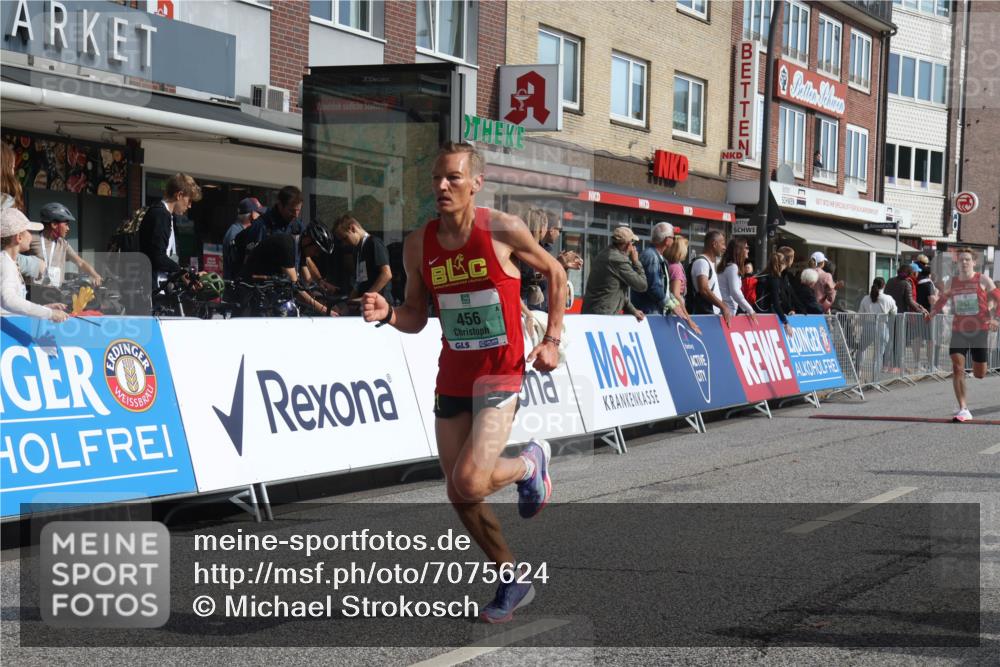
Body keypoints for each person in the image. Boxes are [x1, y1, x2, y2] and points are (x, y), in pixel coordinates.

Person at [361, 141, 566, 623]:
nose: (442, 185)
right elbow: (416, 315)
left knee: (470, 479)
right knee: (459, 493)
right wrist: (389, 313)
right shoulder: (419, 244)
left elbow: (556, 272)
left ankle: (529, 465)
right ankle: (512, 577)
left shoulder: (501, 228)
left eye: (453, 177)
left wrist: (552, 339)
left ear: (476, 183)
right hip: (453, 374)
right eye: (436, 177)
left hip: (500, 372)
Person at [925, 248, 1000, 422]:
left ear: (974, 262)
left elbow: (999, 299)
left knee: (980, 373)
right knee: (957, 368)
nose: (964, 262)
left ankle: (976, 370)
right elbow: (943, 299)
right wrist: (932, 313)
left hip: (979, 329)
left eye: (967, 259)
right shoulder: (952, 282)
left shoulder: (983, 279)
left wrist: (996, 319)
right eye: (961, 260)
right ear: (957, 263)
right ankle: (963, 408)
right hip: (959, 330)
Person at [1, 208, 69, 321]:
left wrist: (43, 308)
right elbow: (8, 300)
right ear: (19, 237)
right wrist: (49, 313)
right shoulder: (5, 263)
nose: (31, 236)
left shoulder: (8, 261)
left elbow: (11, 307)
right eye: (29, 231)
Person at [139, 172, 202, 288]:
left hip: (158, 285)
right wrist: (182, 272)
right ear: (179, 195)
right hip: (151, 287)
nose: (190, 206)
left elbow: (167, 256)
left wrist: (182, 273)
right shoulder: (161, 215)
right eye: (189, 200)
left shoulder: (167, 215)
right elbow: (157, 257)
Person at [1, 142, 47, 284]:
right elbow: (4, 255)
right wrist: (35, 265)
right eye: (12, 167)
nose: (13, 173)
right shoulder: (4, 203)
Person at [27, 202, 103, 288]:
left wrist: (95, 275)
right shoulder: (31, 239)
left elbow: (80, 263)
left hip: (55, 292)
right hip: (34, 292)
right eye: (66, 224)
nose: (68, 228)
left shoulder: (63, 244)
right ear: (54, 224)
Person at [582, 226, 648, 321]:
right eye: (632, 243)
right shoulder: (617, 260)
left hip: (596, 313)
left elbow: (615, 290)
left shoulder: (606, 254)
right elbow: (642, 285)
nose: (633, 247)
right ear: (628, 244)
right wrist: (636, 262)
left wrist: (633, 310)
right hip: (602, 317)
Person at [233, 185, 304, 273]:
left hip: (292, 278)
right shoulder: (261, 225)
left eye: (298, 210)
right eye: (291, 210)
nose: (296, 215)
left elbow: (304, 258)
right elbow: (250, 260)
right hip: (267, 279)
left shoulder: (298, 226)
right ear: (280, 205)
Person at [332, 212, 393, 306]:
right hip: (366, 304)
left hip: (380, 304)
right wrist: (350, 302)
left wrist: (366, 297)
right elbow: (360, 280)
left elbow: (386, 274)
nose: (344, 244)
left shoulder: (374, 243)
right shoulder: (357, 250)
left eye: (345, 238)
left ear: (352, 228)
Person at [688, 230, 732, 325]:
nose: (724, 248)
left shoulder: (708, 262)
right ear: (714, 244)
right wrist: (723, 306)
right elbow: (704, 289)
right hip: (705, 315)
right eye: (722, 244)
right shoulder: (702, 262)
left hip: (711, 314)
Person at [857, 277, 898, 376]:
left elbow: (860, 314)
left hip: (868, 326)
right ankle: (875, 376)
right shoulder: (888, 298)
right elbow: (894, 312)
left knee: (862, 349)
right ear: (884, 286)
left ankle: (858, 372)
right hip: (882, 326)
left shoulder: (865, 298)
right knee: (879, 353)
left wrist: (860, 324)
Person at [223, 197, 265, 280]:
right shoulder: (236, 233)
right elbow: (238, 262)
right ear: (253, 215)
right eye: (259, 213)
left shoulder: (237, 230)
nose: (261, 216)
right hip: (235, 283)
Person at [718, 238, 757, 320]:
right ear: (739, 250)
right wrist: (750, 310)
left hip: (725, 310)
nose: (748, 250)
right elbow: (735, 292)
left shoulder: (727, 266)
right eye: (746, 248)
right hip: (728, 311)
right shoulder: (733, 267)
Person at [762, 251, 794, 335]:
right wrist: (785, 322)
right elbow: (776, 303)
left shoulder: (764, 275)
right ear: (781, 264)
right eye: (784, 263)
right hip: (765, 314)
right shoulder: (774, 279)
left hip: (757, 312)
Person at [914, 265, 939, 370]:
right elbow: (932, 301)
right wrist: (937, 294)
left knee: (917, 339)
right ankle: (930, 364)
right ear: (930, 274)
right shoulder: (928, 284)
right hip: (928, 315)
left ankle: (917, 363)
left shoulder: (917, 283)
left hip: (917, 314)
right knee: (930, 340)